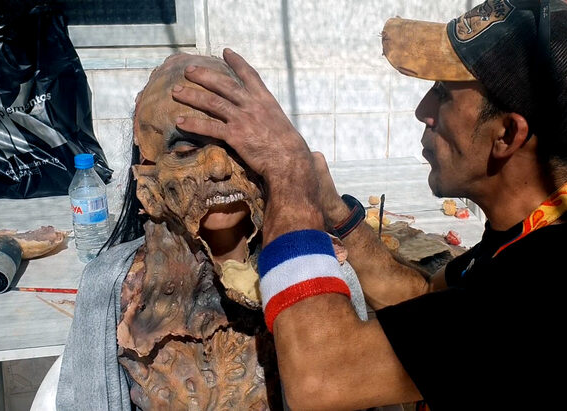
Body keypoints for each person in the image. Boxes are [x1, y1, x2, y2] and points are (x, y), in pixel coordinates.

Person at [172, 0, 567, 409]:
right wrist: (335, 214)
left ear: (507, 135)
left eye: (444, 95)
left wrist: (289, 178)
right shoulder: (547, 224)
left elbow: (323, 378)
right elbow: (426, 308)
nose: (422, 112)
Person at [56, 53, 368, 410]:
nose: (219, 166)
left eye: (237, 147)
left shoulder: (322, 274)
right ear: (148, 187)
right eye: (187, 150)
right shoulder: (112, 286)